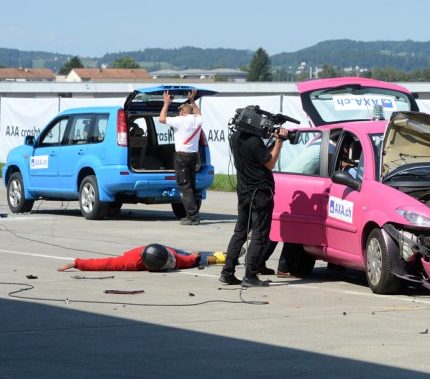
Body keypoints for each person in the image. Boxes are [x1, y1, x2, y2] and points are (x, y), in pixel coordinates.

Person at [219, 111, 288, 288]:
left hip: (244, 192)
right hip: (260, 194)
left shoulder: (235, 137)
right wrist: (278, 142)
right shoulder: (254, 141)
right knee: (259, 235)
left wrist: (270, 138)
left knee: (240, 233)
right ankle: (250, 275)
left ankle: (227, 272)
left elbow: (258, 154)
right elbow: (269, 163)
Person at [159, 88, 203, 226]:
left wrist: (166, 103)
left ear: (182, 112)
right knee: (191, 186)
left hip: (182, 157)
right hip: (193, 157)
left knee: (185, 187)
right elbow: (197, 112)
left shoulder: (180, 120)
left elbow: (161, 119)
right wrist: (191, 100)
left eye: (179, 111)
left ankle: (193, 217)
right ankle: (192, 214)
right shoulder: (197, 121)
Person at [55, 243, 231, 272]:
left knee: (191, 256)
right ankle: (223, 256)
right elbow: (104, 264)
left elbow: (184, 259)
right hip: (155, 253)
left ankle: (222, 255)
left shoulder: (172, 256)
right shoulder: (131, 262)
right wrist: (76, 264)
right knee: (191, 259)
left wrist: (193, 257)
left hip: (164, 249)